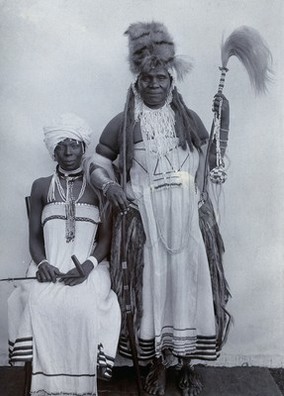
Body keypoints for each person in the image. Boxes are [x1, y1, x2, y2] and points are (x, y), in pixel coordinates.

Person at [89, 22, 231, 396]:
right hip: (146, 222)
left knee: (192, 287)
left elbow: (213, 160)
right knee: (151, 289)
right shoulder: (124, 123)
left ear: (171, 81)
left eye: (161, 78)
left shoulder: (189, 118)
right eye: (147, 78)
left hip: (187, 221)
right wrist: (111, 186)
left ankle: (187, 365)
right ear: (137, 80)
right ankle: (156, 366)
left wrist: (223, 121)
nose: (154, 84)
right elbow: (98, 165)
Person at [8, 113, 121, 396]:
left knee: (84, 307)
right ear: (52, 150)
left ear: (84, 147)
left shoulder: (99, 185)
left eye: (73, 144)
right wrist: (42, 263)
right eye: (61, 145)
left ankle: (81, 385)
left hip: (92, 266)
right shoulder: (41, 186)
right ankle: (47, 386)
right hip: (48, 264)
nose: (68, 151)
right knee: (38, 301)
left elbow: (106, 238)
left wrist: (88, 265)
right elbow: (34, 237)